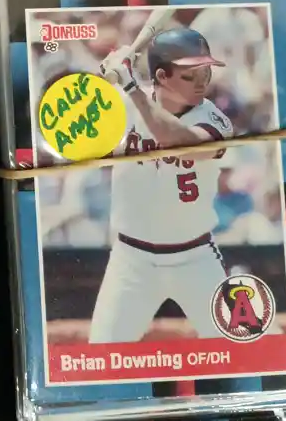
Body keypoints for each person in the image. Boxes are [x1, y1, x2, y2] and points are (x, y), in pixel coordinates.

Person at [90, 26, 233, 342]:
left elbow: (176, 140)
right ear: (162, 76)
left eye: (206, 72)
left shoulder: (214, 120)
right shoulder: (122, 104)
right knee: (103, 354)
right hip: (131, 261)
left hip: (195, 260)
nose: (202, 82)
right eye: (190, 75)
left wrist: (129, 86)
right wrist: (99, 82)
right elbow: (68, 124)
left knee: (236, 350)